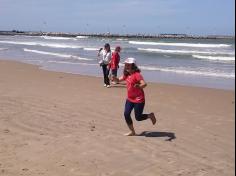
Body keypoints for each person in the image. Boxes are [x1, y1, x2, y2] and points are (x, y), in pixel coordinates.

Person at [112, 57, 156, 136]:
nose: (127, 66)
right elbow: (118, 80)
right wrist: (114, 78)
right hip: (130, 99)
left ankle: (150, 115)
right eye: (126, 65)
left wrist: (139, 86)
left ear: (133, 66)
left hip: (139, 99)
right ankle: (132, 131)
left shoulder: (137, 75)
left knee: (138, 118)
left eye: (129, 65)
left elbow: (144, 84)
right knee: (126, 114)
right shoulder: (127, 75)